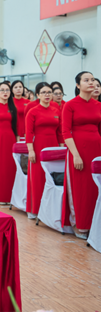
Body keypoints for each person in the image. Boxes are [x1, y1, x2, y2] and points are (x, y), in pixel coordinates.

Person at [61, 71, 101, 239]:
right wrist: (75, 155)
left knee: (95, 188)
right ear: (78, 85)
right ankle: (80, 225)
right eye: (86, 80)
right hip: (78, 150)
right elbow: (65, 131)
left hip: (96, 149)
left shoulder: (98, 105)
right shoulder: (70, 105)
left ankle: (95, 224)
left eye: (92, 80)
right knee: (81, 188)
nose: (91, 82)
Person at [25, 82, 62, 220]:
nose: (47, 95)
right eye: (44, 92)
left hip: (53, 146)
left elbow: (60, 132)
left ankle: (51, 208)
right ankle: (35, 209)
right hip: (38, 146)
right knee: (38, 177)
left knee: (52, 177)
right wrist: (31, 150)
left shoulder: (56, 110)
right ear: (38, 95)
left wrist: (61, 148)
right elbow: (29, 133)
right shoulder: (33, 111)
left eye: (49, 92)